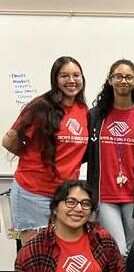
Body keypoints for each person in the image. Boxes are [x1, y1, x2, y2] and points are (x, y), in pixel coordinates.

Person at [3, 56, 89, 243]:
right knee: (35, 254)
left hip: (64, 196)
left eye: (76, 75)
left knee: (60, 252)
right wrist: (34, 157)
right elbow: (9, 141)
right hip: (32, 193)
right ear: (55, 79)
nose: (71, 80)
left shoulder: (83, 110)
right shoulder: (41, 106)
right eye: (64, 76)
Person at [87, 58, 134, 256]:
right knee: (118, 251)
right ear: (110, 80)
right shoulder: (95, 116)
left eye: (129, 77)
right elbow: (82, 152)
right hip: (104, 196)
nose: (123, 81)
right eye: (118, 76)